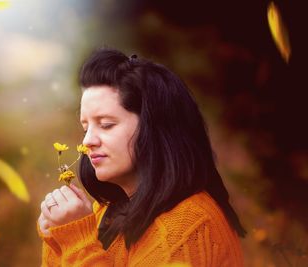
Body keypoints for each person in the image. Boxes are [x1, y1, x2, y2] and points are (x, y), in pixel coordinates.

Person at [37, 48, 246, 266]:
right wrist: (58, 242)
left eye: (106, 125)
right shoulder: (110, 213)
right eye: (85, 128)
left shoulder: (186, 227)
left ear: (154, 126)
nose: (87, 141)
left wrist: (77, 240)